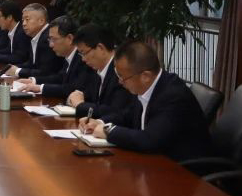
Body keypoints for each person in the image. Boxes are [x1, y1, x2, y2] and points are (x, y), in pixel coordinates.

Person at [79, 41, 214, 161]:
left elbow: (149, 140)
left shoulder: (173, 95)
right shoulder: (144, 86)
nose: (120, 82)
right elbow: (126, 115)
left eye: (123, 77)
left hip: (183, 170)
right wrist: (100, 122)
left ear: (145, 76)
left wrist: (109, 131)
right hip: (154, 161)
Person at [16, 15, 94, 98]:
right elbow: (60, 78)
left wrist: (41, 88)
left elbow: (73, 88)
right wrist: (33, 81)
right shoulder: (69, 55)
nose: (51, 45)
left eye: (54, 39)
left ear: (70, 38)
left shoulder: (83, 58)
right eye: (49, 40)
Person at [67, 24, 134, 119]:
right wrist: (78, 95)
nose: (83, 59)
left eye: (84, 53)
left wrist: (80, 104)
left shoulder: (120, 72)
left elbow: (115, 111)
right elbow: (89, 96)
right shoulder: (96, 70)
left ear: (100, 48)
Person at [9, 3, 64, 76]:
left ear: (41, 21)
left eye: (27, 19)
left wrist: (18, 71)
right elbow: (32, 63)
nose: (24, 24)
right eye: (23, 20)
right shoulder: (36, 36)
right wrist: (14, 68)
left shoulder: (48, 38)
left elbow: (46, 72)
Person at [0, 0, 30, 65]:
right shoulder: (12, 30)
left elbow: (19, 57)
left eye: (0, 16)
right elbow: (9, 50)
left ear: (9, 17)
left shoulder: (21, 33)